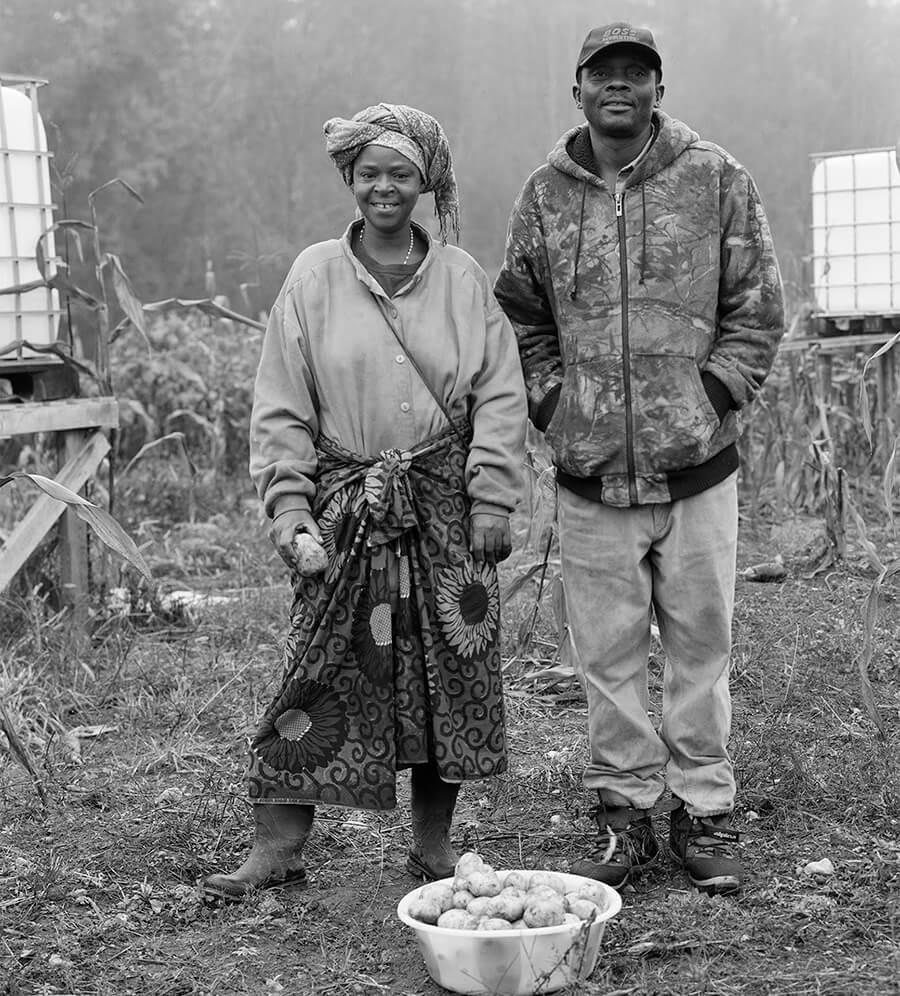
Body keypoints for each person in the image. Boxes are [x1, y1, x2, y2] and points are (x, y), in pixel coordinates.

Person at [202, 104, 527, 901]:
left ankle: (433, 846)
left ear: (426, 182)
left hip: (443, 509)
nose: (385, 187)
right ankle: (277, 846)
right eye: (370, 173)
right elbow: (281, 405)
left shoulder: (460, 278)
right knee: (314, 668)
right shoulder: (313, 277)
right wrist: (290, 508)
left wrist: (492, 496)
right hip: (346, 507)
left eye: (401, 173)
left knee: (448, 674)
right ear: (350, 180)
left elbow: (500, 394)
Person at [494, 23, 784, 896]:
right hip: (589, 476)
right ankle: (624, 813)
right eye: (603, 74)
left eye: (637, 74)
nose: (620, 86)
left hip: (697, 468)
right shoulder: (545, 195)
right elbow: (520, 315)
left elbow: (759, 306)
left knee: (702, 643)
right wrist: (553, 404)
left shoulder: (716, 178)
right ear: (576, 89)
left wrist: (714, 398)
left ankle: (704, 808)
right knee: (607, 653)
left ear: (659, 89)